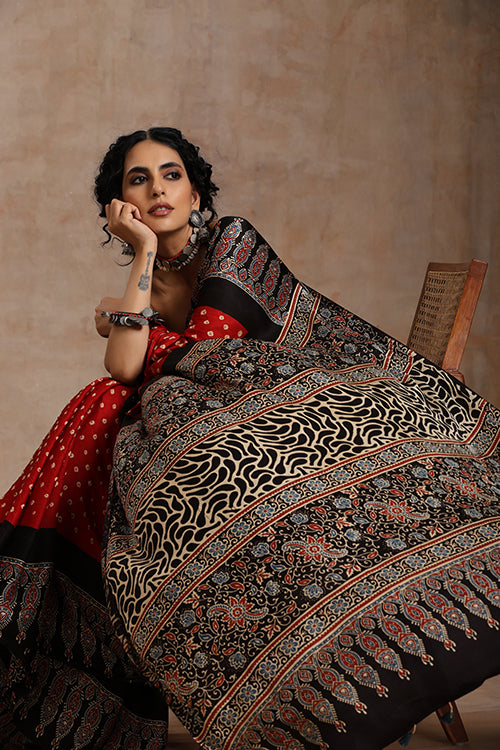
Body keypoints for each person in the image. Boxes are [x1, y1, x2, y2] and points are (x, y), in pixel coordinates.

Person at [1, 127, 500, 750]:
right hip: (244, 431)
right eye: (139, 180)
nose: (158, 189)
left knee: (155, 434)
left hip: (312, 411)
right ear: (121, 205)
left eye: (172, 174)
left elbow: (211, 351)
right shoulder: (145, 278)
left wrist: (126, 321)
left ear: (195, 193)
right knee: (116, 421)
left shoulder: (233, 242)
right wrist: (143, 257)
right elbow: (126, 369)